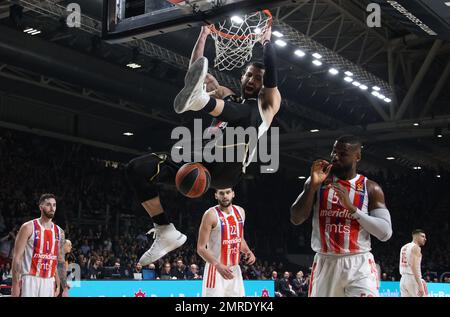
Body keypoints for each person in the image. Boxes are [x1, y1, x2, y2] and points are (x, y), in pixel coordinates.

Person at [125, 25, 281, 267]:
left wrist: (267, 43)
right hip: (203, 159)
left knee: (244, 116)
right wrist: (204, 34)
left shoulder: (268, 104)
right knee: (137, 168)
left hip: (229, 169)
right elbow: (194, 73)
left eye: (258, 78)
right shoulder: (227, 94)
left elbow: (272, 77)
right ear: (241, 77)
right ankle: (165, 229)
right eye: (249, 75)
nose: (252, 80)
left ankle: (200, 101)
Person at [290, 135, 393, 297]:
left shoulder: (371, 188)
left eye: (342, 154)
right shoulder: (318, 182)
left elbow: (385, 233)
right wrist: (311, 188)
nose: (335, 157)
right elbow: (296, 218)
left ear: (357, 157)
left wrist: (352, 209)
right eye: (333, 152)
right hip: (326, 263)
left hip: (358, 263)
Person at [197, 188, 255, 297]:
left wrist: (248, 251)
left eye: (228, 192)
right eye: (221, 193)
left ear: (233, 193)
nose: (225, 196)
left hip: (234, 269)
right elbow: (200, 248)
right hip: (215, 269)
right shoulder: (210, 215)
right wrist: (217, 265)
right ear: (216, 195)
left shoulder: (240, 212)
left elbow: (240, 239)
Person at [11, 193, 68, 297]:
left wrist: (64, 287)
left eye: (54, 205)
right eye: (48, 204)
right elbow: (17, 257)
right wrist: (15, 284)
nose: (52, 208)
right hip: (29, 279)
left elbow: (60, 261)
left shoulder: (60, 232)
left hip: (49, 280)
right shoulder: (28, 227)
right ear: (41, 207)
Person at [399, 229, 428, 297]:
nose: (425, 239)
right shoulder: (416, 247)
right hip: (413, 279)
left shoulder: (404, 247)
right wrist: (420, 284)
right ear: (416, 237)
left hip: (403, 279)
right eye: (422, 236)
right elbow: (413, 266)